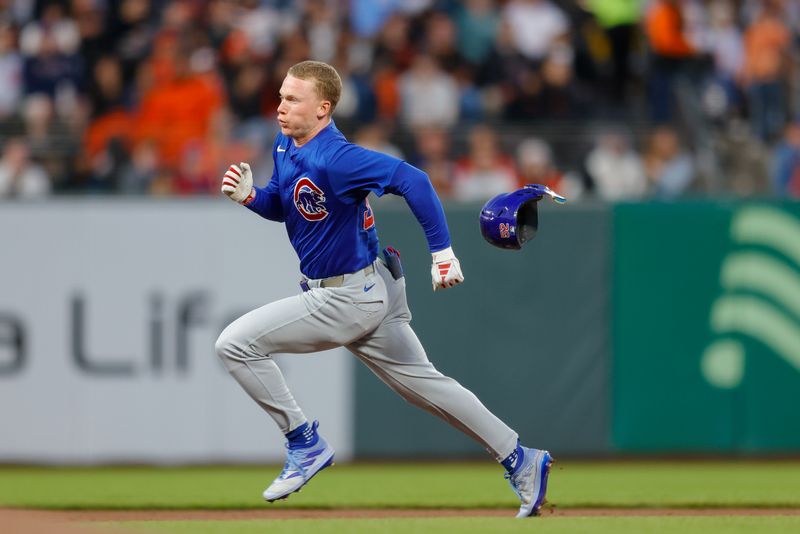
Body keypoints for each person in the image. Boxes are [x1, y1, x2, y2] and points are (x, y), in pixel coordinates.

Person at [214, 60, 553, 518]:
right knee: (428, 388)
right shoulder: (287, 143)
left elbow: (414, 179)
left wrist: (442, 252)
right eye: (281, 96)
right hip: (373, 285)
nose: (280, 107)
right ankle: (521, 458)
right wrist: (253, 198)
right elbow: (288, 205)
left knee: (235, 344)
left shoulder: (337, 157)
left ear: (323, 109)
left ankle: (304, 441)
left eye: (293, 99)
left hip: (346, 296)